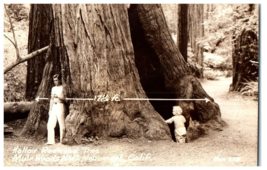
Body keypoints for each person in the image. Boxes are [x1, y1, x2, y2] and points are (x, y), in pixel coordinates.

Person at [46, 74, 66, 145]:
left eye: (56, 80)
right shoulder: (53, 88)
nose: (55, 82)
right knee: (50, 124)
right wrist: (50, 109)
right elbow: (51, 99)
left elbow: (65, 99)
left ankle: (62, 141)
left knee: (61, 123)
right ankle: (50, 141)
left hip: (60, 105)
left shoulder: (63, 88)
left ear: (59, 80)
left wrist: (58, 96)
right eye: (54, 80)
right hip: (54, 106)